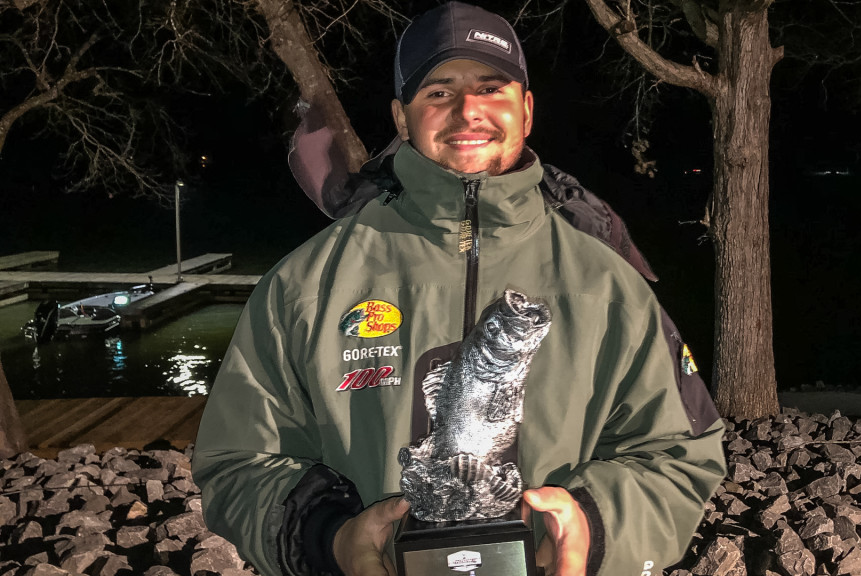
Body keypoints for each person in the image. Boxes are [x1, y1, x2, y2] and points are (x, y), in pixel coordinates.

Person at [192, 3, 727, 576]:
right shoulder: (305, 285)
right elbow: (237, 461)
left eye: (491, 88)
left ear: (525, 107)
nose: (468, 110)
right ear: (402, 118)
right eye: (439, 92)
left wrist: (593, 529)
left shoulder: (609, 284)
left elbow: (680, 454)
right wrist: (331, 538)